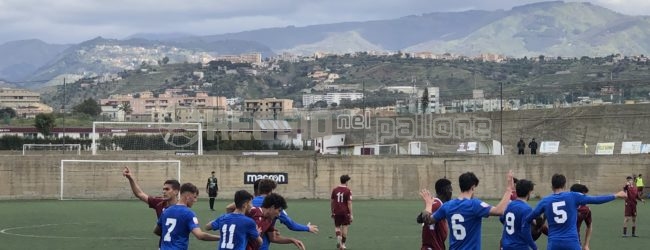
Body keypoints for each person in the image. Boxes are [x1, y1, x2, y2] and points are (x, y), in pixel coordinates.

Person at [525, 174, 627, 250]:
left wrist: (534, 228)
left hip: (554, 243)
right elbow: (596, 200)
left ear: (552, 186)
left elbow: (529, 219)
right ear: (564, 186)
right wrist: (616, 195)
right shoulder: (573, 196)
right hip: (571, 242)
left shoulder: (545, 201)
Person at [419, 171, 514, 250]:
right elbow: (500, 210)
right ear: (472, 187)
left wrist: (428, 204)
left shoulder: (448, 206)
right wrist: (509, 189)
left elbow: (428, 220)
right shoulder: (475, 204)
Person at [251, 179, 318, 250]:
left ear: (259, 190)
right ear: (271, 191)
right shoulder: (275, 206)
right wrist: (307, 228)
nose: (278, 214)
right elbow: (291, 225)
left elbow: (272, 236)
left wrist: (291, 240)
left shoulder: (250, 204)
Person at [155, 183, 220, 250]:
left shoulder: (166, 211)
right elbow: (200, 235)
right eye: (194, 197)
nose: (195, 200)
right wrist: (221, 237)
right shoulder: (188, 213)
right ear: (188, 196)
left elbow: (157, 231)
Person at [500, 179, 537, 250]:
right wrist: (534, 247)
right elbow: (525, 231)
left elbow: (502, 218)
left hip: (506, 246)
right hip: (519, 246)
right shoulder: (527, 209)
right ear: (529, 192)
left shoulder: (509, 205)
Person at [416, 178, 452, 250]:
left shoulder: (438, 204)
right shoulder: (436, 204)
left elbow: (419, 219)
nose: (451, 192)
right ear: (445, 190)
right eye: (450, 189)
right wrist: (428, 206)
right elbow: (420, 219)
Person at [332, 174, 353, 250]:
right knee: (345, 228)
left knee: (337, 227)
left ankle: (338, 237)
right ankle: (343, 244)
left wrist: (332, 211)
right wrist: (351, 214)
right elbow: (349, 203)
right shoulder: (348, 190)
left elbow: (332, 202)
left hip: (336, 212)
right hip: (345, 212)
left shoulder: (335, 190)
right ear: (346, 181)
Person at [570, 184, 592, 250]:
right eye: (584, 196)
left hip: (575, 241)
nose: (585, 198)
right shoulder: (564, 205)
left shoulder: (585, 210)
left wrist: (586, 245)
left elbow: (589, 226)